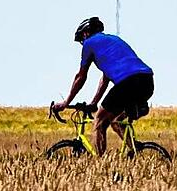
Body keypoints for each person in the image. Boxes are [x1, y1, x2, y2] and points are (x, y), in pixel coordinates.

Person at [53, 17, 154, 156]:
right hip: (146, 81)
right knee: (116, 120)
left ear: (85, 33)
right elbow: (105, 80)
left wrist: (66, 103)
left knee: (99, 121)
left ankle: (101, 166)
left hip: (127, 82)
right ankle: (136, 151)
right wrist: (94, 102)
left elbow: (80, 77)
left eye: (81, 40)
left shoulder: (89, 43)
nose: (83, 43)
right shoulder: (113, 40)